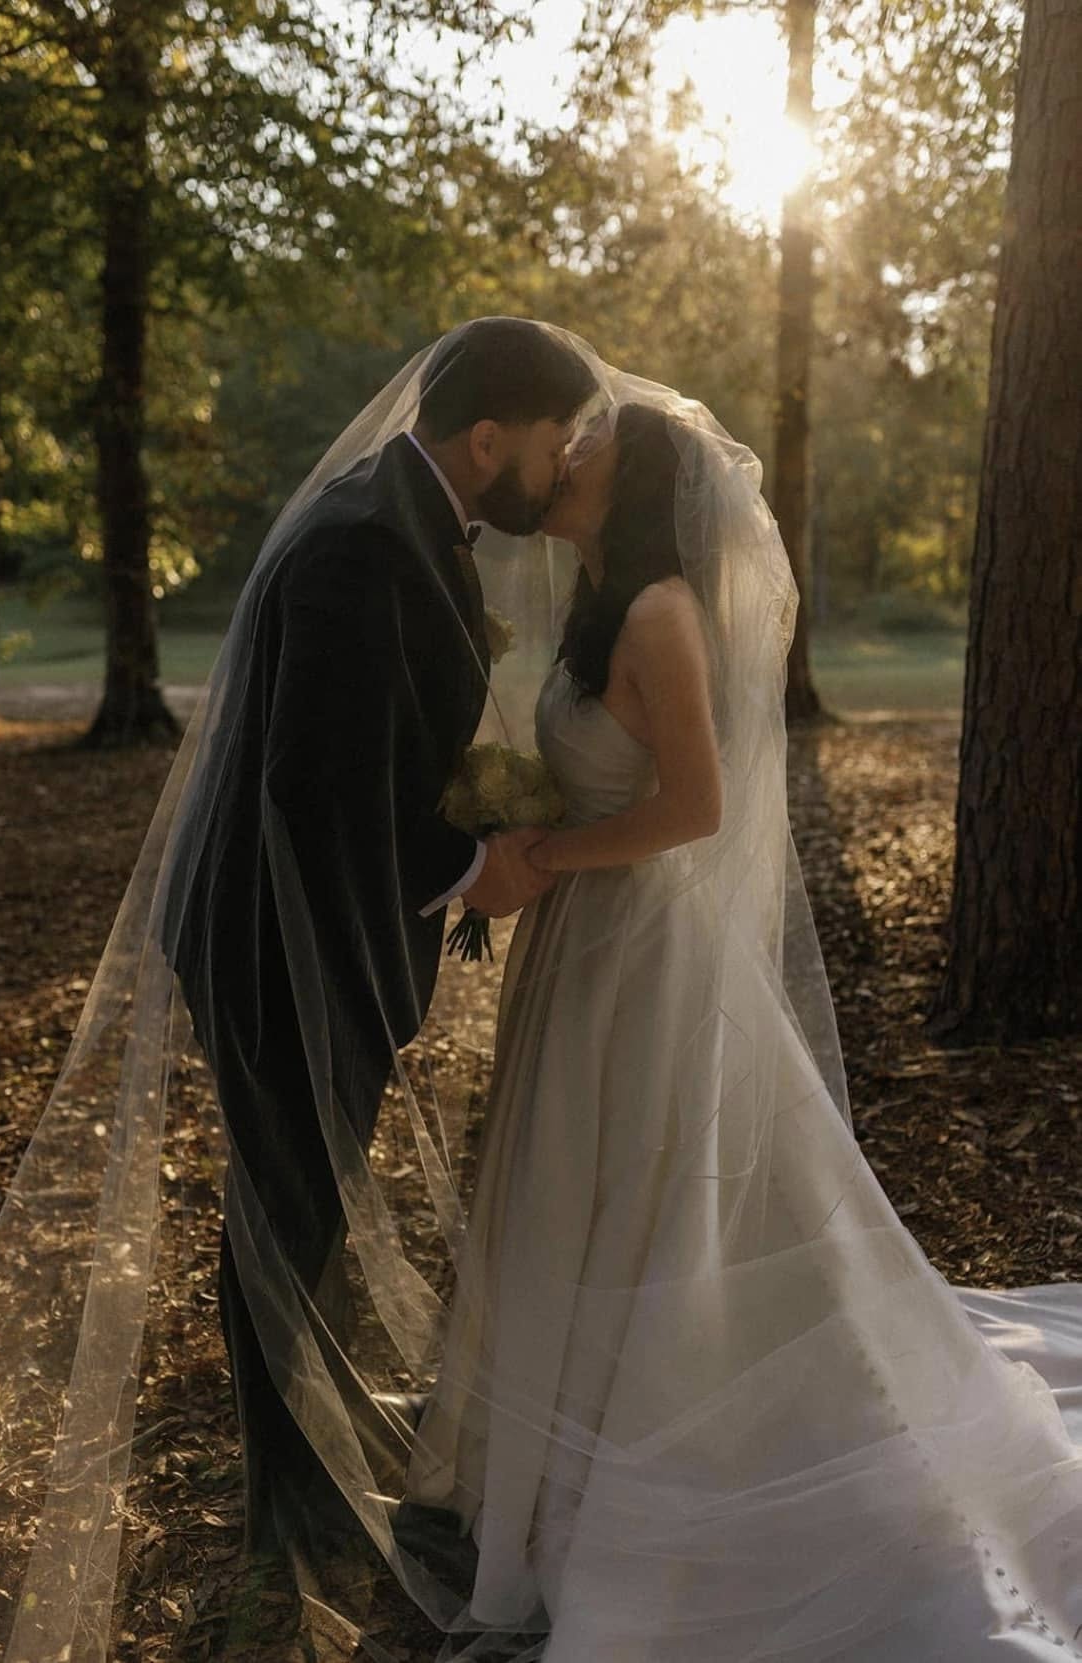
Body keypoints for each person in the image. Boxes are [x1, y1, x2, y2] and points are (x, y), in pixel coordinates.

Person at [400, 400, 1082, 1660]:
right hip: (582, 937)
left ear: (637, 480)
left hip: (640, 946)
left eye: (595, 444)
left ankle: (671, 1439)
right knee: (576, 1179)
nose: (574, 450)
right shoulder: (595, 603)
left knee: (650, 1188)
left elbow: (695, 808)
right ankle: (552, 1449)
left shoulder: (658, 611)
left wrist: (541, 848)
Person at [160, 317, 597, 1569]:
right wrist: (470, 863)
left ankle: (313, 1431)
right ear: (486, 438)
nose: (560, 468)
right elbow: (317, 782)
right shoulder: (361, 541)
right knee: (287, 1205)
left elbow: (379, 736)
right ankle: (292, 1513)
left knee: (307, 1191)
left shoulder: (403, 518)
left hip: (304, 921)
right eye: (553, 445)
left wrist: (468, 807)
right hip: (269, 936)